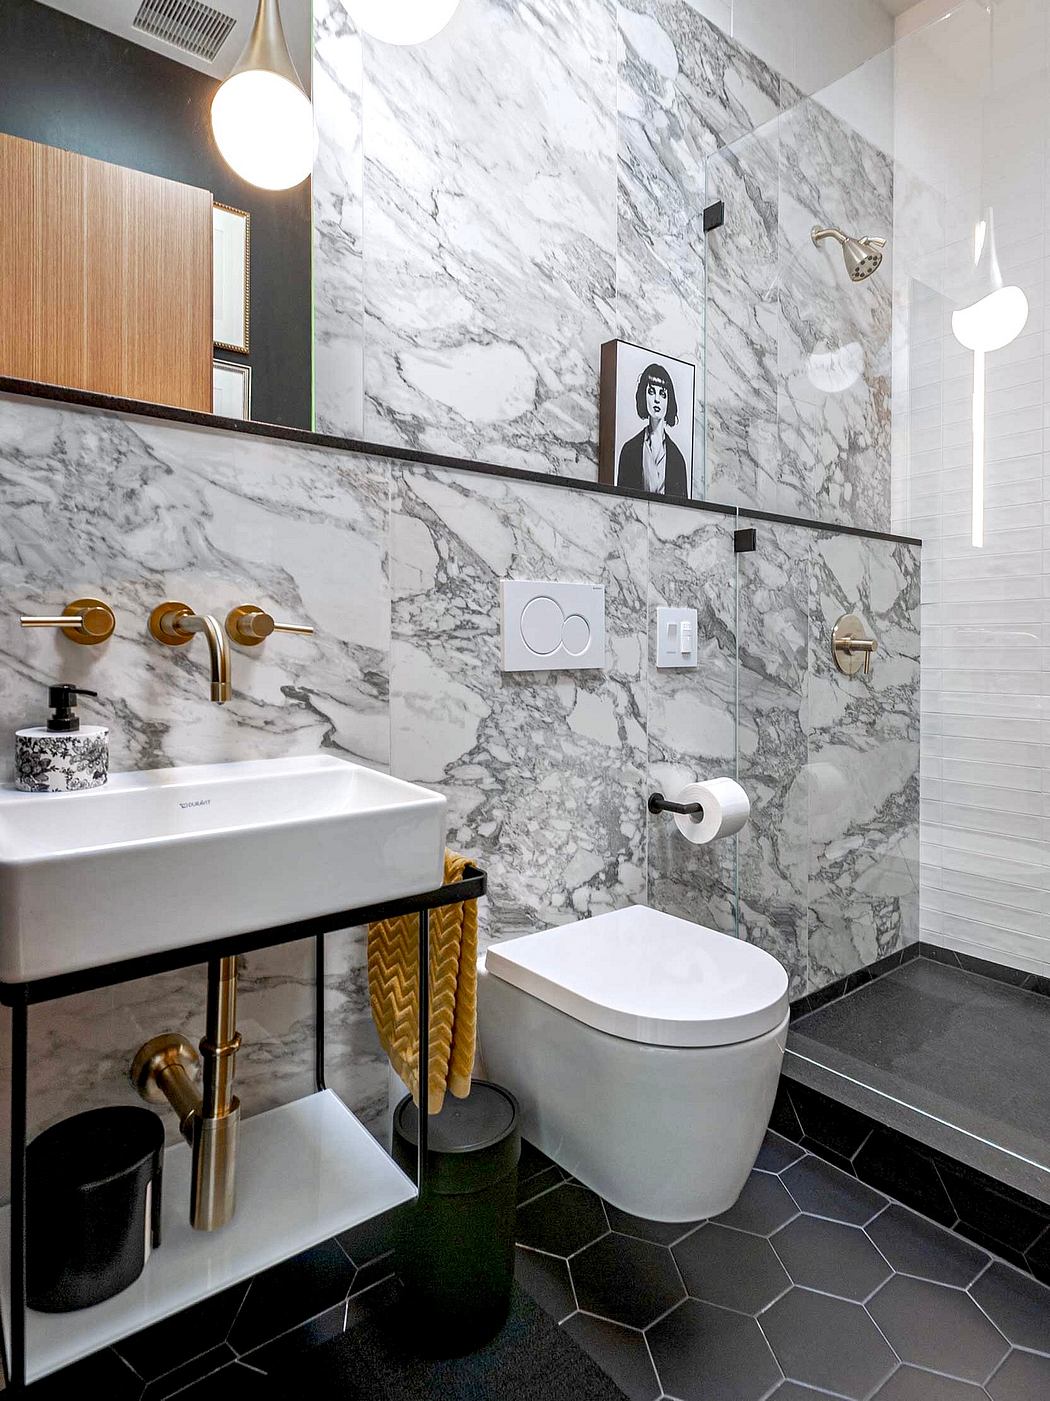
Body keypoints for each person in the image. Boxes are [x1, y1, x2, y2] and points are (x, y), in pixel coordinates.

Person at [616, 362, 689, 497]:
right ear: (643, 396)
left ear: (669, 400)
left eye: (662, 394)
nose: (657, 399)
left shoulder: (677, 458)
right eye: (651, 392)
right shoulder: (629, 451)